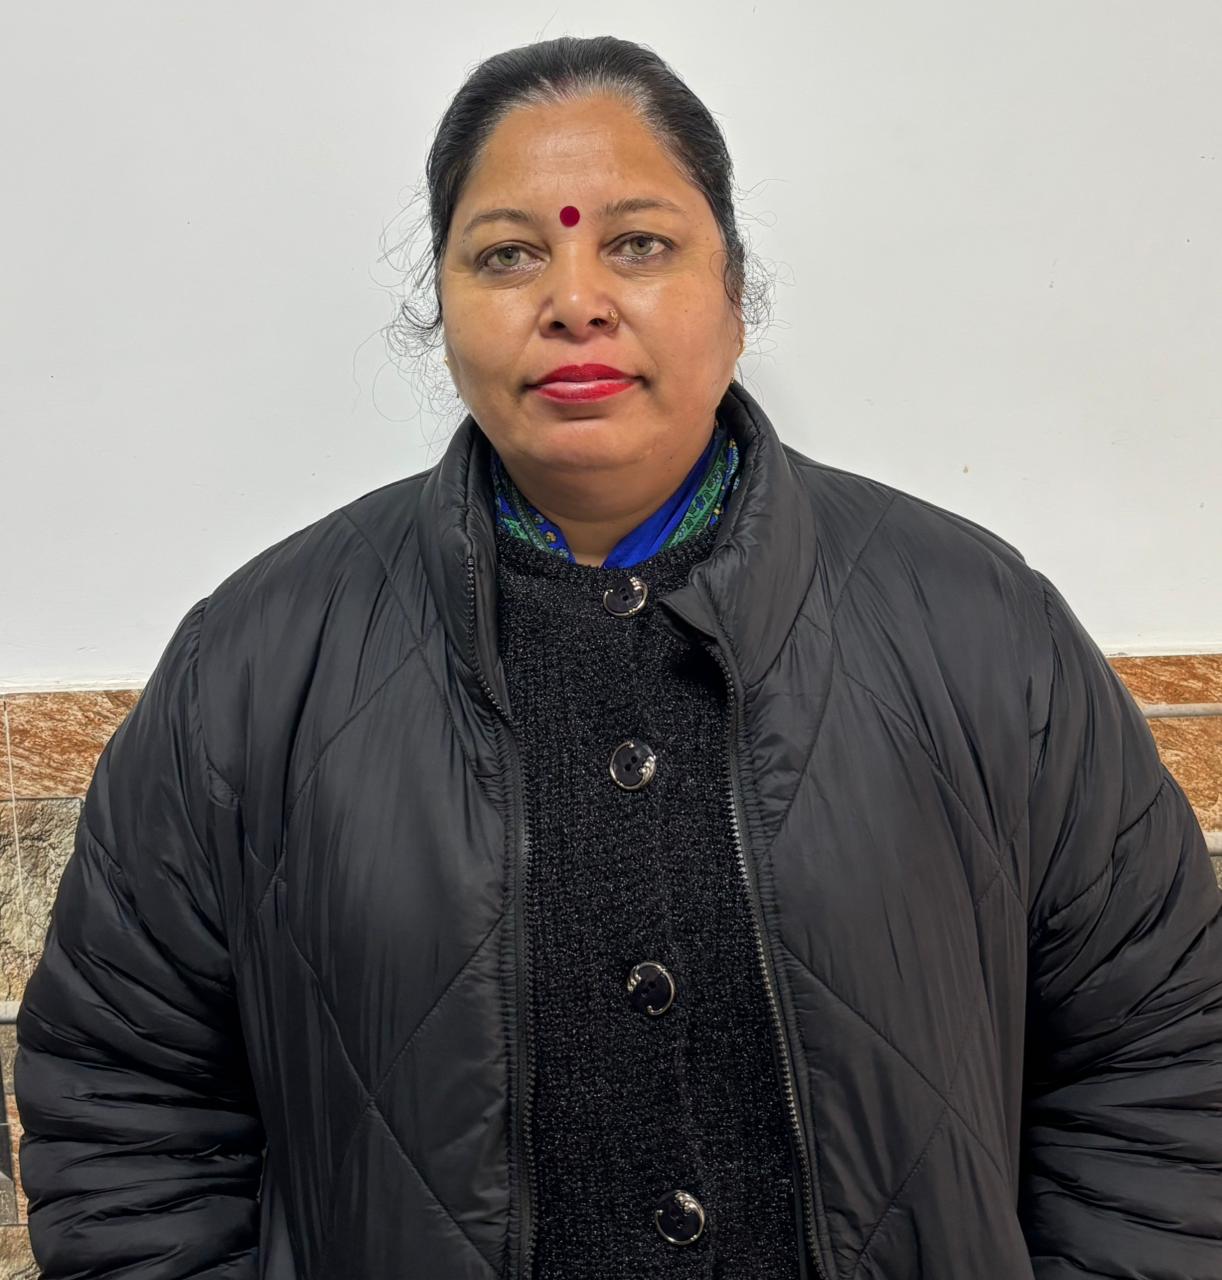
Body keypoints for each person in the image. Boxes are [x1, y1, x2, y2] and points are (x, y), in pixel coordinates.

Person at [14, 33, 1222, 1280]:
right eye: (508, 254)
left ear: (735, 295)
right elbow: (124, 1101)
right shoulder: (252, 667)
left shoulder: (984, 630)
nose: (575, 299)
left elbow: (1165, 1063)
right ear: (440, 311)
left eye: (637, 243)